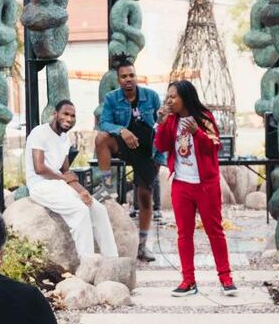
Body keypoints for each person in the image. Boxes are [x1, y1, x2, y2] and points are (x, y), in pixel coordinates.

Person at [153, 80, 236, 297]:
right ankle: (188, 281)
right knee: (184, 234)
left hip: (206, 185)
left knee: (214, 231)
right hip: (181, 184)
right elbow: (161, 146)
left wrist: (197, 132)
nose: (169, 100)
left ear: (185, 98)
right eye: (168, 97)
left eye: (173, 97)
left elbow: (214, 147)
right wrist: (161, 123)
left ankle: (225, 277)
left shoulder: (204, 118)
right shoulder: (170, 121)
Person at [26, 100, 118, 259]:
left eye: (73, 116)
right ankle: (88, 263)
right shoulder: (39, 132)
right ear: (55, 114)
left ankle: (112, 259)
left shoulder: (65, 139)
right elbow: (39, 168)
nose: (69, 119)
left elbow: (66, 171)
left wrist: (83, 192)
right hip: (40, 185)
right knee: (80, 211)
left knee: (97, 209)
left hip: (59, 185)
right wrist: (63, 178)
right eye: (65, 114)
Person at [95, 57, 161, 261]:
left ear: (136, 76)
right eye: (123, 76)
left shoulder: (151, 96)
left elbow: (161, 125)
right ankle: (107, 185)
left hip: (147, 149)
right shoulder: (112, 98)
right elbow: (104, 122)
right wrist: (121, 130)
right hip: (123, 145)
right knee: (101, 138)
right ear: (118, 79)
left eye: (131, 75)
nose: (128, 79)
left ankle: (142, 245)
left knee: (144, 197)